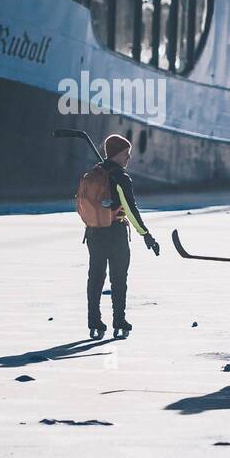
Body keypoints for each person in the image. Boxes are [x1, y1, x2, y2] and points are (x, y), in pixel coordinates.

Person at [78, 133, 160, 340]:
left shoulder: (95, 173)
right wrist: (146, 235)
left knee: (95, 277)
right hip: (115, 233)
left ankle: (94, 320)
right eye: (126, 154)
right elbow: (131, 210)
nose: (128, 158)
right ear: (116, 154)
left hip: (94, 232)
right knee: (118, 279)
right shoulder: (121, 178)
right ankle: (119, 320)